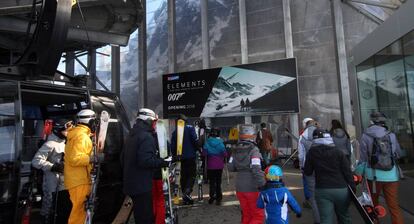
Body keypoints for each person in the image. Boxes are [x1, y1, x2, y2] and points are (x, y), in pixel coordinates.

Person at [122, 108, 172, 224]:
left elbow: (122, 158)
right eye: (154, 122)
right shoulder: (146, 136)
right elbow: (145, 161)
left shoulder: (132, 134)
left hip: (131, 184)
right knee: (145, 217)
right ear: (149, 121)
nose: (155, 125)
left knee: (139, 215)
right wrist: (163, 162)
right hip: (142, 185)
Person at [356, 112, 404, 224]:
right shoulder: (391, 135)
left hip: (373, 176)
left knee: (373, 205)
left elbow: (363, 158)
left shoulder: (365, 135)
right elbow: (399, 154)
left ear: (372, 121)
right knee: (394, 206)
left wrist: (358, 173)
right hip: (392, 175)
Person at [304, 128, 354, 224]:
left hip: (322, 189)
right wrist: (352, 189)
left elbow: (308, 172)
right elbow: (347, 172)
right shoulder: (338, 152)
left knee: (325, 219)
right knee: (344, 217)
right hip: (341, 189)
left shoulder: (312, 152)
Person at [32, 118, 73, 223]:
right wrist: (53, 166)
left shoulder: (65, 142)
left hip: (63, 180)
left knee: (61, 206)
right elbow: (36, 161)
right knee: (49, 203)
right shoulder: (50, 144)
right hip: (51, 180)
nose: (69, 132)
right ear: (59, 130)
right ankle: (45, 219)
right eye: (67, 130)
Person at [64, 109, 97, 224]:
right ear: (90, 121)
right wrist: (93, 158)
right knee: (78, 213)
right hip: (79, 180)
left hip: (76, 179)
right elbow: (75, 159)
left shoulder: (77, 134)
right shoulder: (82, 137)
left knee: (80, 212)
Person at [228, 124, 265, 224]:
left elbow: (230, 167)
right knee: (257, 215)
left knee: (246, 213)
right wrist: (263, 185)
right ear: (253, 136)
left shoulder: (235, 150)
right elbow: (256, 169)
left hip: (239, 187)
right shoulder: (254, 150)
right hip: (252, 187)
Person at [170, 114, 199, 205]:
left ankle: (185, 195)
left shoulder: (175, 132)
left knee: (183, 176)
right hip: (190, 156)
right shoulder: (190, 128)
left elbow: (173, 146)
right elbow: (194, 140)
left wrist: (175, 156)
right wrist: (197, 149)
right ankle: (187, 192)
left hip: (180, 158)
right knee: (191, 175)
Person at [298, 117, 320, 223]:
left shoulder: (303, 136)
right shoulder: (321, 132)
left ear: (304, 124)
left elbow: (301, 155)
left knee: (311, 189)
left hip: (309, 167)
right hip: (323, 166)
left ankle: (309, 202)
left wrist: (301, 166)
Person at [203, 127, 226, 205]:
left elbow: (204, 153)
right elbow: (224, 153)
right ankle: (219, 198)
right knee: (218, 182)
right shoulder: (220, 142)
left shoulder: (207, 142)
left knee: (212, 182)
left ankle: (212, 197)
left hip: (210, 166)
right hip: (219, 165)